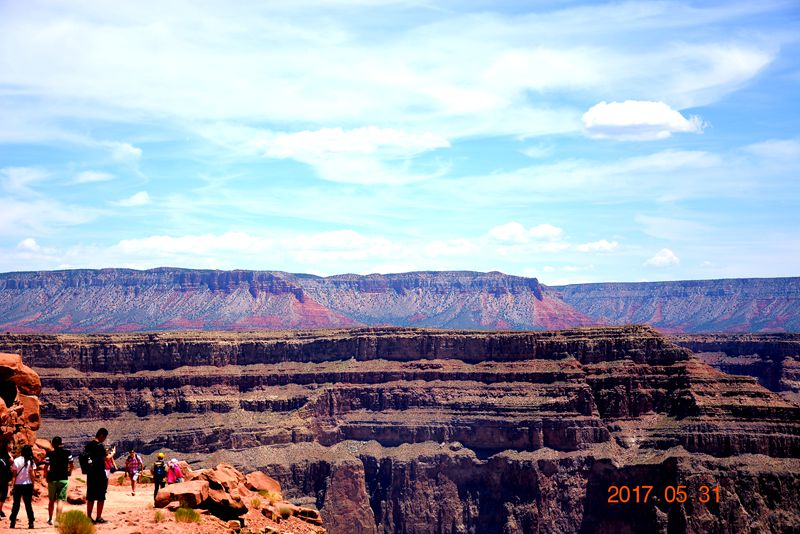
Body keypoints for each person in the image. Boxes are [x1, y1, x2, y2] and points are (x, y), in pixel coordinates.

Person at [43, 436, 73, 526]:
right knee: (60, 500)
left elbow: (45, 467)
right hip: (63, 478)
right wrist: (69, 472)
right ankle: (58, 520)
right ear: (61, 443)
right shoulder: (67, 453)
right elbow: (71, 464)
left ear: (52, 444)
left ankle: (50, 519)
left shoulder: (50, 454)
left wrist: (46, 476)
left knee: (51, 500)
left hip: (52, 479)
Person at [84, 427, 109, 524]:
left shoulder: (88, 445)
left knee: (90, 496)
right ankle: (98, 517)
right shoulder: (100, 446)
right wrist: (113, 453)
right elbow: (106, 458)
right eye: (105, 437)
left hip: (90, 473)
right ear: (101, 435)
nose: (104, 439)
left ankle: (89, 517)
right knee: (101, 496)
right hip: (99, 473)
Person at [9, 444, 36, 529]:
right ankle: (31, 522)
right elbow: (32, 475)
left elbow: (14, 475)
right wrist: (33, 485)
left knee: (16, 504)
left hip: (18, 485)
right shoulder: (31, 461)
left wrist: (12, 486)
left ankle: (12, 522)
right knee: (28, 504)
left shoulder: (16, 460)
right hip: (28, 485)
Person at [0, 439, 12, 519]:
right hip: (3, 477)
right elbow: (12, 461)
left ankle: (0, 510)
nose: (10, 446)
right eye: (9, 444)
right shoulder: (5, 453)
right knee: (3, 494)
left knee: (3, 495)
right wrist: (9, 453)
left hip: (4, 477)